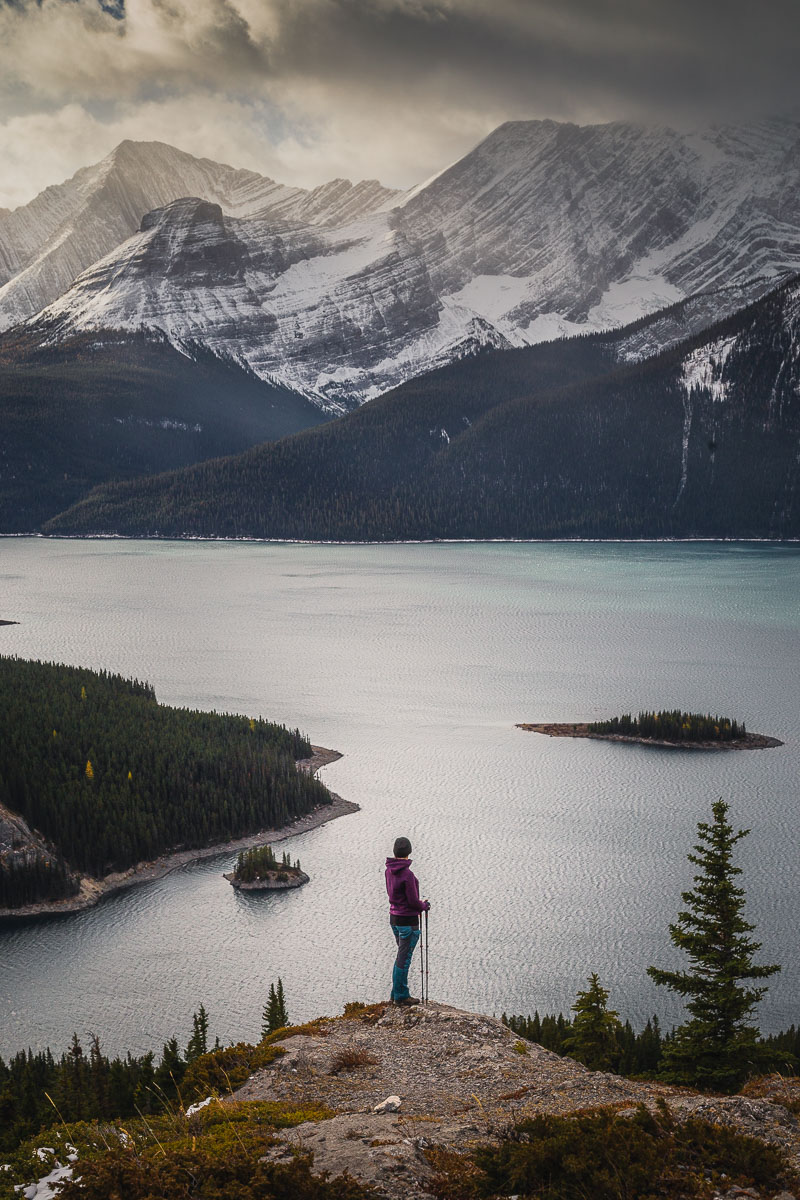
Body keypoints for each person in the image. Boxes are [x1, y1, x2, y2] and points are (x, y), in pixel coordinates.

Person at [385, 836, 430, 1005]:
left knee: (401, 956)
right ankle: (400, 995)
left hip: (394, 919)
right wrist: (423, 906)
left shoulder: (388, 870)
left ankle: (396, 992)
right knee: (403, 959)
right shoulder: (407, 875)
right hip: (408, 921)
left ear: (395, 851)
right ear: (409, 852)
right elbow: (412, 902)